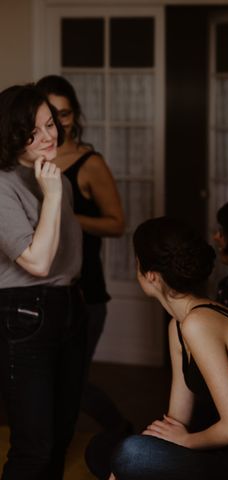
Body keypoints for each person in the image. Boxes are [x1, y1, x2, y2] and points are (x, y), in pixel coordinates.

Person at [108, 217, 228, 480]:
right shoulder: (179, 325)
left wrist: (184, 442)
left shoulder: (198, 323)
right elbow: (176, 419)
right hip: (212, 446)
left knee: (131, 454)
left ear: (151, 276)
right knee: (107, 451)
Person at [35, 74, 130, 434]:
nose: (58, 123)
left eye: (65, 113)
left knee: (70, 380)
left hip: (83, 288)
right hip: (36, 286)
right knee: (43, 377)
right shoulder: (25, 161)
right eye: (49, 114)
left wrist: (62, 213)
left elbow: (116, 223)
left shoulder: (88, 163)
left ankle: (119, 430)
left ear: (75, 116)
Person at [0, 84, 86, 479]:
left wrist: (55, 189)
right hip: (23, 310)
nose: (49, 136)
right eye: (33, 131)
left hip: (68, 305)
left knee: (60, 435)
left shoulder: (58, 180)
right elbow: (36, 261)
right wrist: (51, 195)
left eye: (50, 124)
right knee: (34, 446)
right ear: (12, 134)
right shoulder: (4, 183)